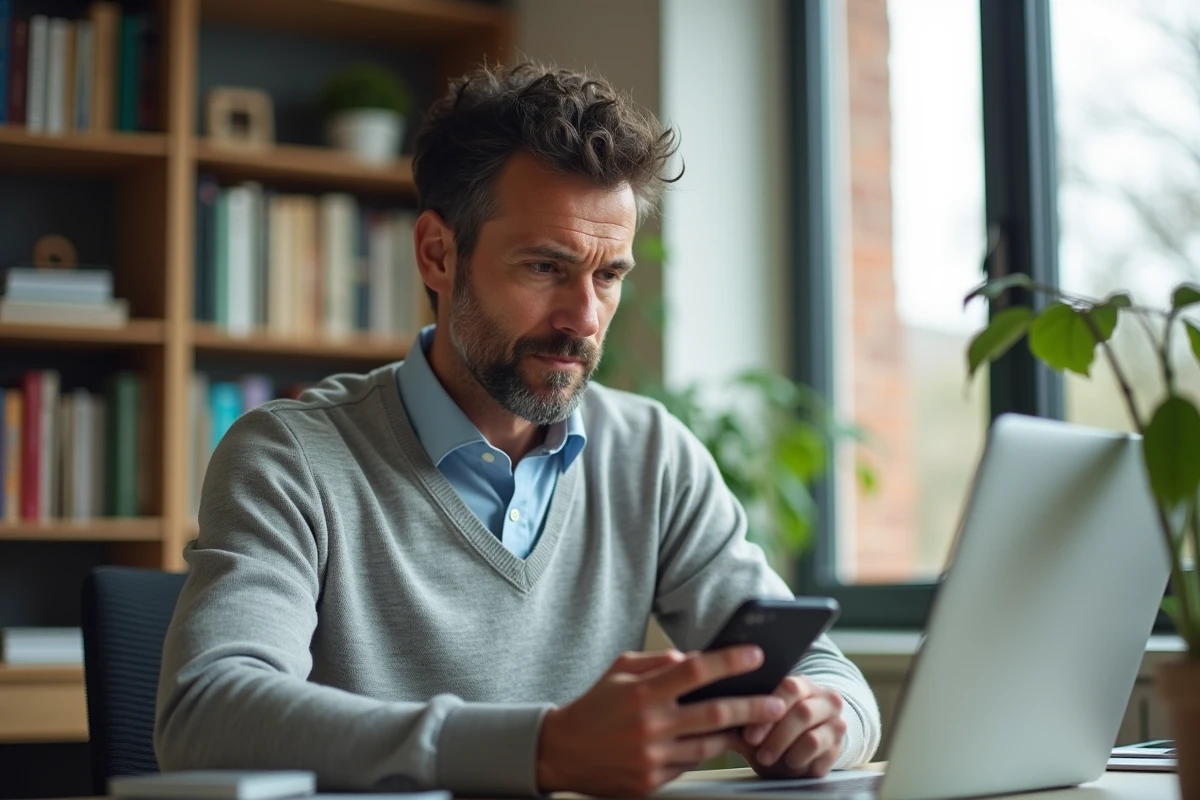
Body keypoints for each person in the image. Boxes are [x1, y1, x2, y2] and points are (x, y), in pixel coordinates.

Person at [155, 62, 881, 797]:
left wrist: (826, 720)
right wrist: (542, 749)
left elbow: (825, 673)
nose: (584, 319)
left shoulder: (652, 456)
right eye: (545, 266)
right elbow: (205, 713)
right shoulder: (291, 457)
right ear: (438, 254)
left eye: (608, 275)